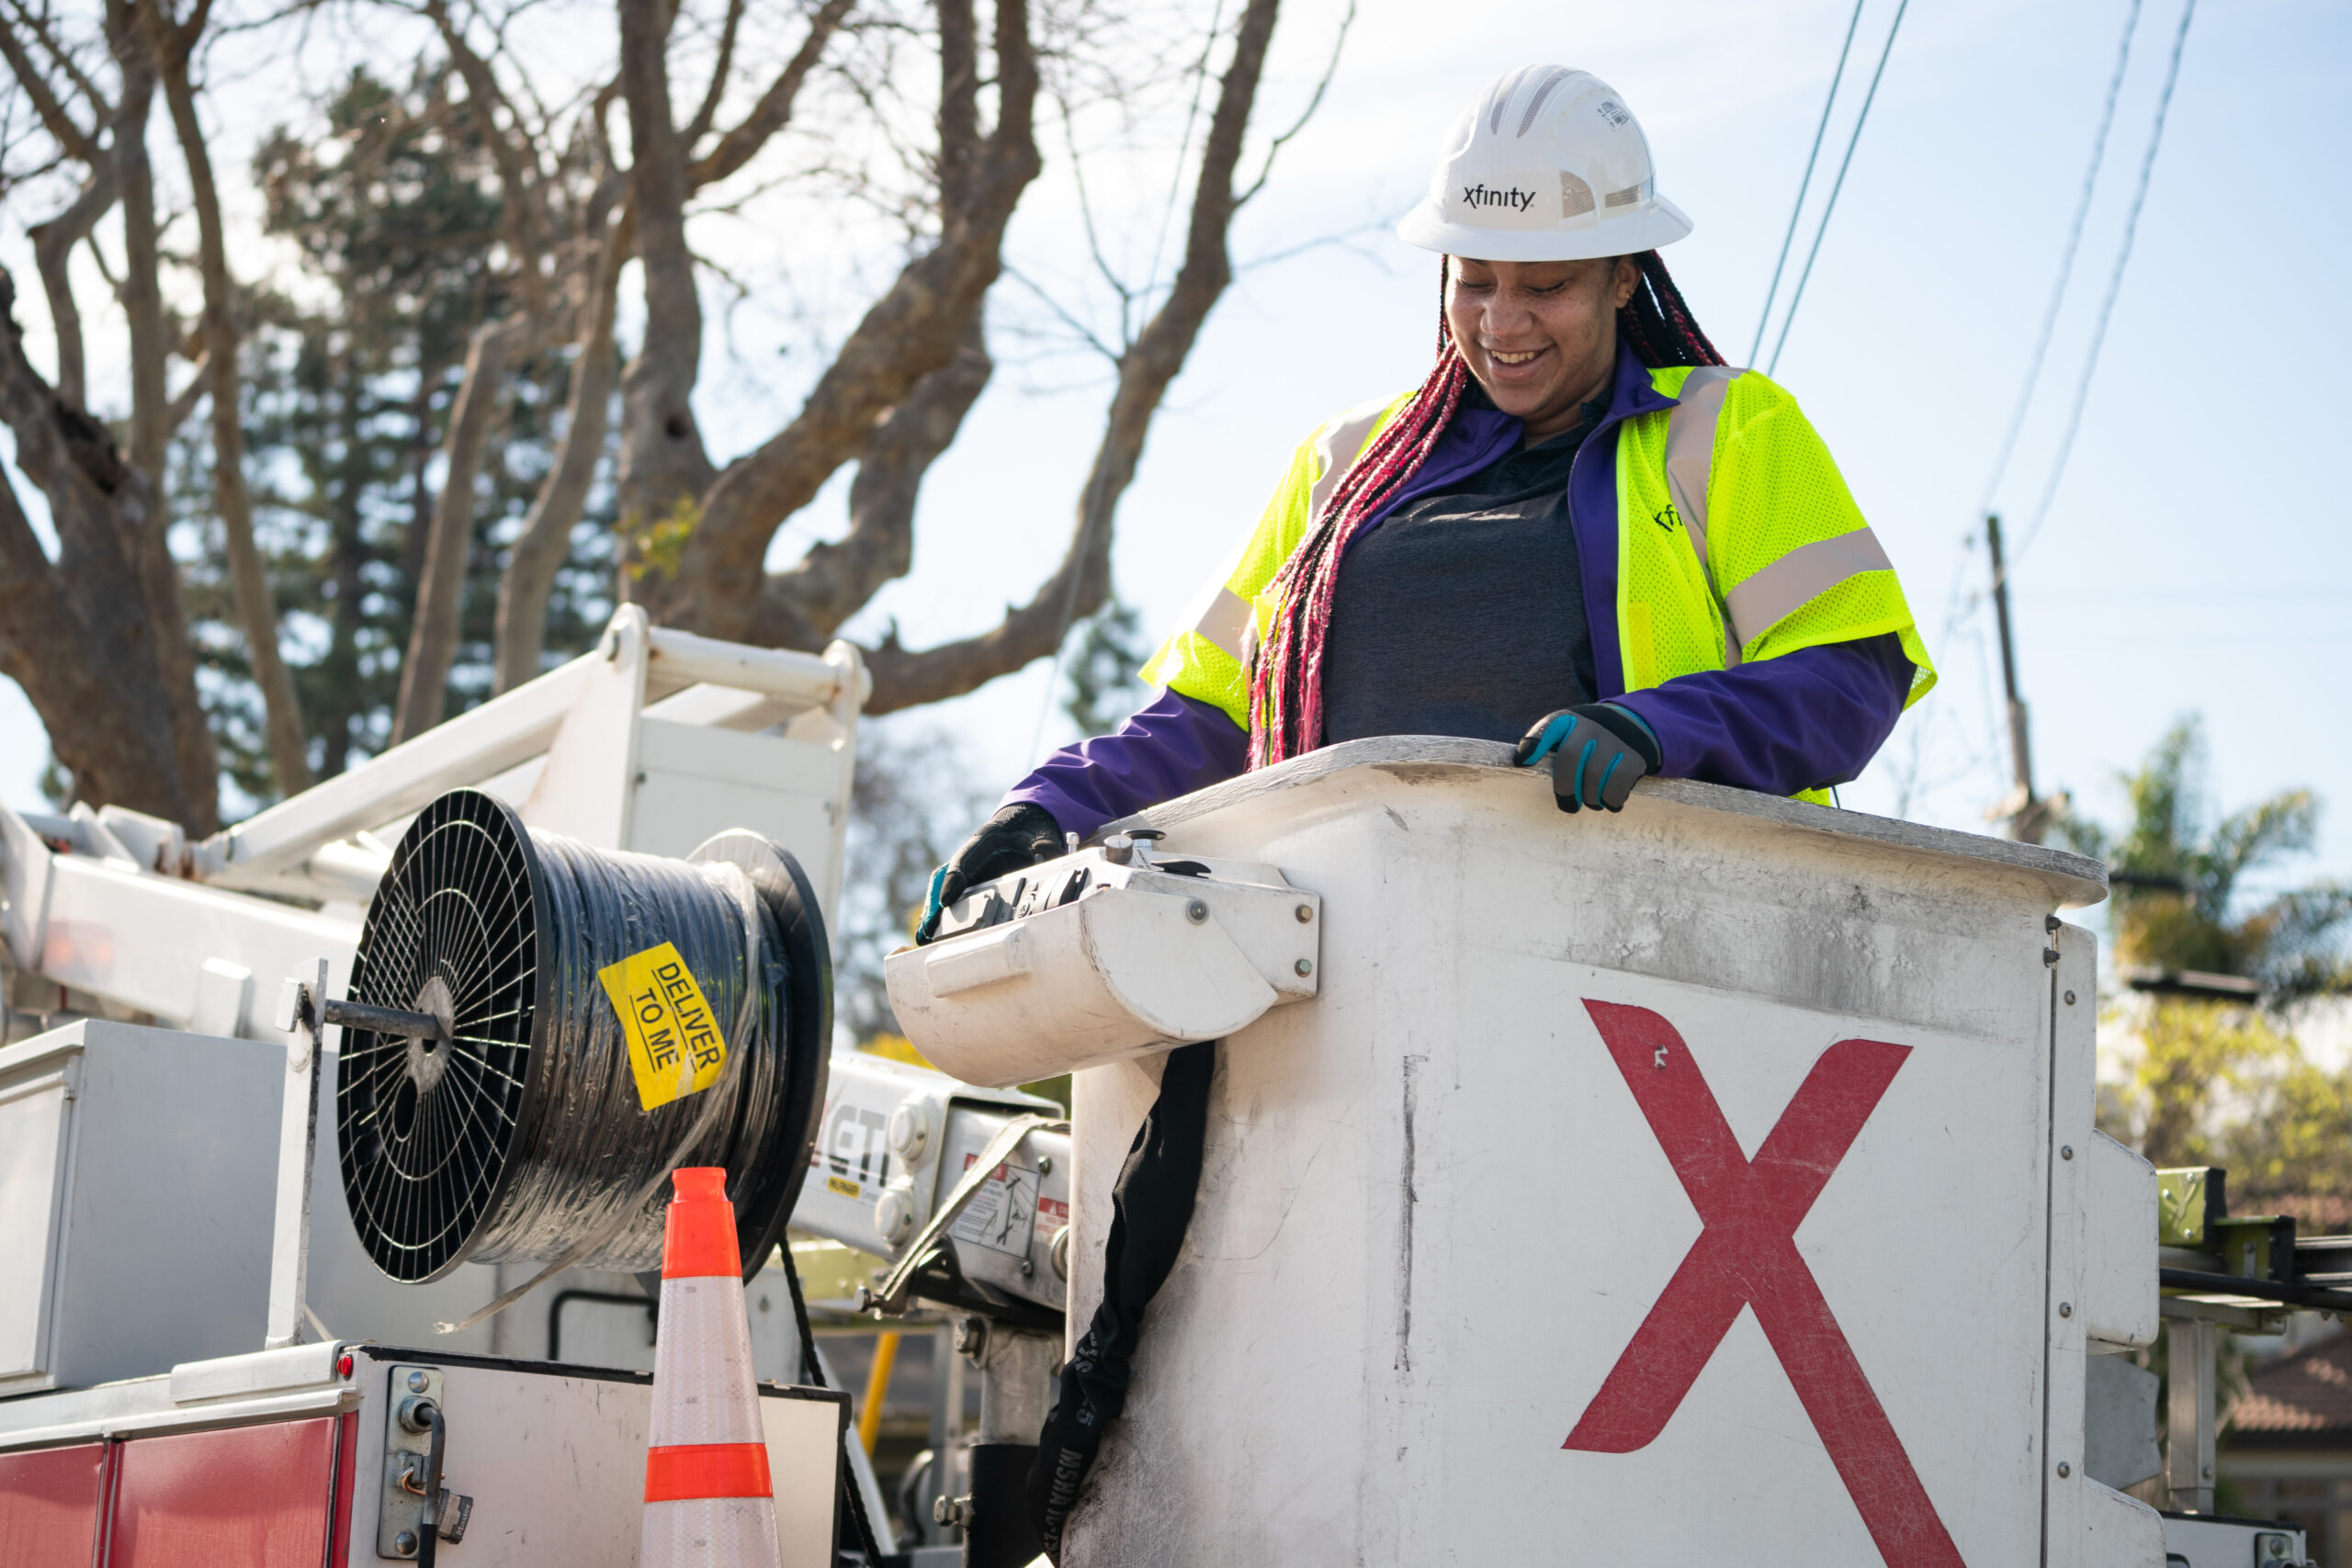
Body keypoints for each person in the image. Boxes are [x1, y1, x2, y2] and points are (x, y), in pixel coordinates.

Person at [920, 64, 1936, 943]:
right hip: (1334, 945)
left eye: (1545, 286)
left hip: (1637, 946)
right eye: (1473, 280)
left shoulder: (1725, 430)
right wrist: (1045, 809)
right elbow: (1209, 715)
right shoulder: (1347, 462)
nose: (1501, 322)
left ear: (1625, 277)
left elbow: (1851, 676)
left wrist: (1655, 727)